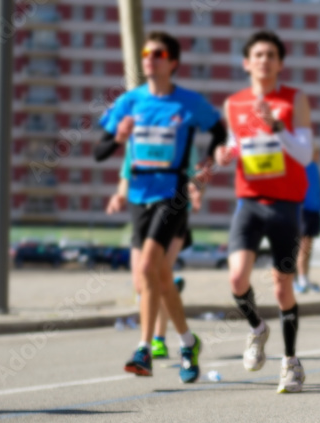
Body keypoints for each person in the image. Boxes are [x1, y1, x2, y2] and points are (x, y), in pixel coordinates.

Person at [94, 31, 225, 382]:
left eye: (158, 53)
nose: (149, 58)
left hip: (173, 193)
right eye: (146, 52)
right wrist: (119, 138)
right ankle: (187, 342)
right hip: (139, 196)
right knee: (158, 279)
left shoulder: (188, 103)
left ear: (173, 62)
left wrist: (207, 163)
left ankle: (144, 348)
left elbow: (220, 129)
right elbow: (99, 151)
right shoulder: (129, 102)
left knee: (150, 265)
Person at [215, 31, 313, 394]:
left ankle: (290, 362)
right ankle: (257, 328)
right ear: (247, 63)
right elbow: (233, 145)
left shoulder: (293, 100)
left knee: (281, 285)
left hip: (286, 205)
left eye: (271, 55)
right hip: (250, 202)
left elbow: (304, 155)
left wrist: (276, 126)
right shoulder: (235, 104)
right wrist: (223, 155)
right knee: (237, 278)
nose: (264, 60)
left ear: (279, 63)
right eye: (257, 55)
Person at [106, 153, 196, 358]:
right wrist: (120, 194)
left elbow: (195, 170)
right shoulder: (137, 132)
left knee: (155, 275)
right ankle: (184, 339)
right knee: (142, 283)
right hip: (143, 212)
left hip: (172, 211)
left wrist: (196, 189)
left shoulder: (177, 128)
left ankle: (155, 341)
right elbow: (126, 172)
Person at [295, 149, 320, 294]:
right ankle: (300, 280)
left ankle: (305, 278)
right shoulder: (301, 165)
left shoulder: (315, 167)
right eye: (315, 151)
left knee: (308, 247)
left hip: (315, 210)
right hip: (303, 210)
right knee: (303, 246)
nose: (318, 154)